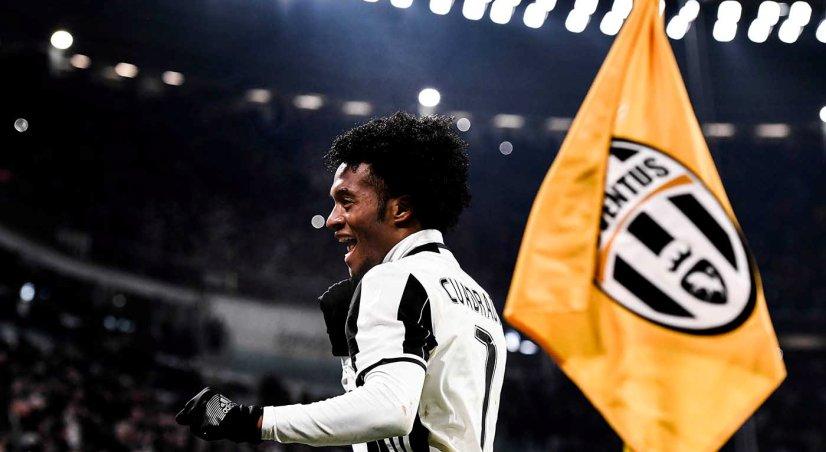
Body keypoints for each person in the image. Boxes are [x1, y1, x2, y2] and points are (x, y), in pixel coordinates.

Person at [175, 112, 507, 451]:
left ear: (400, 210)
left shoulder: (396, 278)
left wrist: (251, 420)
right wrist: (350, 360)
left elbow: (390, 411)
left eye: (346, 201)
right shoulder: (477, 297)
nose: (332, 220)